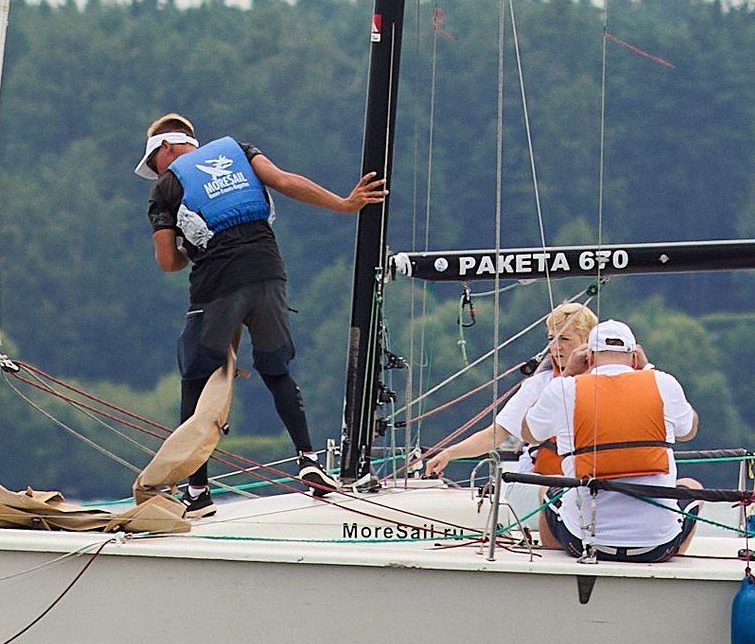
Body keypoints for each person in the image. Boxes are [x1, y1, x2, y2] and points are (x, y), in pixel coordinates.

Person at [138, 112, 385, 504]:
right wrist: (345, 204)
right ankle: (308, 460)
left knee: (196, 377)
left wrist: (189, 247)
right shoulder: (239, 150)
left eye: (155, 164)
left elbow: (168, 262)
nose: (157, 172)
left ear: (165, 147)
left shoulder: (166, 187)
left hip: (218, 284)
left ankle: (197, 491)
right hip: (269, 271)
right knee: (275, 368)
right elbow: (286, 182)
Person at [506, 318, 699, 560]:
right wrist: (648, 369)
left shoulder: (565, 389)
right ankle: (671, 559)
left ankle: (555, 564)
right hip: (658, 548)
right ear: (633, 356)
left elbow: (528, 433)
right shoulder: (663, 383)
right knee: (692, 488)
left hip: (582, 543)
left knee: (549, 485)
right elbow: (689, 430)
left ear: (589, 357)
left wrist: (566, 374)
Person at [424, 303, 597, 480]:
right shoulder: (538, 385)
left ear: (588, 342)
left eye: (565, 339)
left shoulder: (606, 382)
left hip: (595, 479)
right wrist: (448, 454)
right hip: (541, 479)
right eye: (551, 339)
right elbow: (495, 434)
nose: (556, 346)